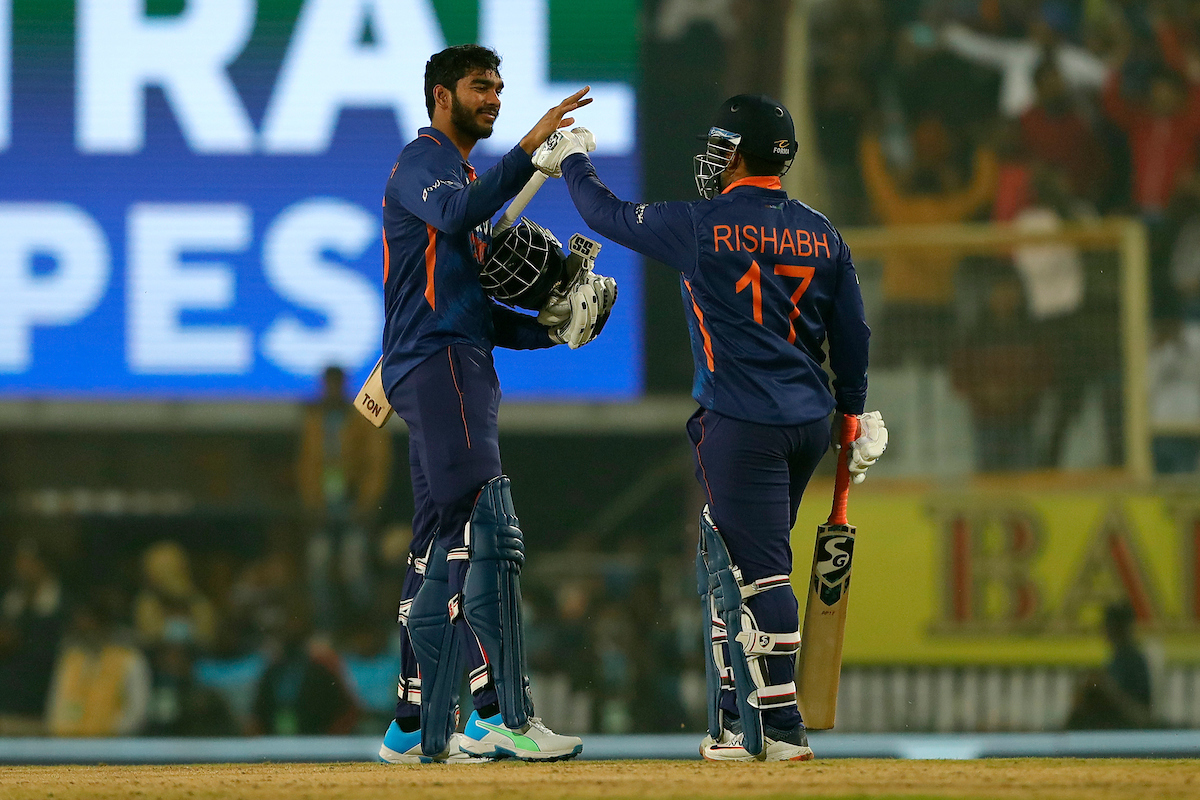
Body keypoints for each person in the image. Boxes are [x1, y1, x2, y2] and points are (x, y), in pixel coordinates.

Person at [538, 94, 887, 761]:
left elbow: (605, 215)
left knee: (759, 574)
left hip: (743, 421)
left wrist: (575, 161)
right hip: (808, 420)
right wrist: (852, 411)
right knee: (741, 565)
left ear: (740, 151)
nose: (712, 157)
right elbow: (852, 333)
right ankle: (736, 719)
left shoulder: (701, 224)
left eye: (721, 144)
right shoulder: (825, 232)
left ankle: (780, 730)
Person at [377, 44, 613, 764]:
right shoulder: (424, 164)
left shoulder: (465, 177)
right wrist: (532, 149)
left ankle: (414, 726)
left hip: (455, 356)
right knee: (486, 530)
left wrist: (550, 330)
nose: (496, 98)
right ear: (442, 96)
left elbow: (477, 306)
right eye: (482, 87)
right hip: (439, 363)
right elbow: (453, 217)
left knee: (436, 547)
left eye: (501, 89)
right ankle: (497, 714)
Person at [297, 365, 392, 631]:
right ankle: (326, 628)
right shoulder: (315, 420)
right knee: (318, 566)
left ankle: (365, 626)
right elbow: (307, 465)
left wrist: (366, 504)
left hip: (353, 506)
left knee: (354, 568)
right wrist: (312, 503)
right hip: (324, 507)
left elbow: (376, 465)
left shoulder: (360, 418)